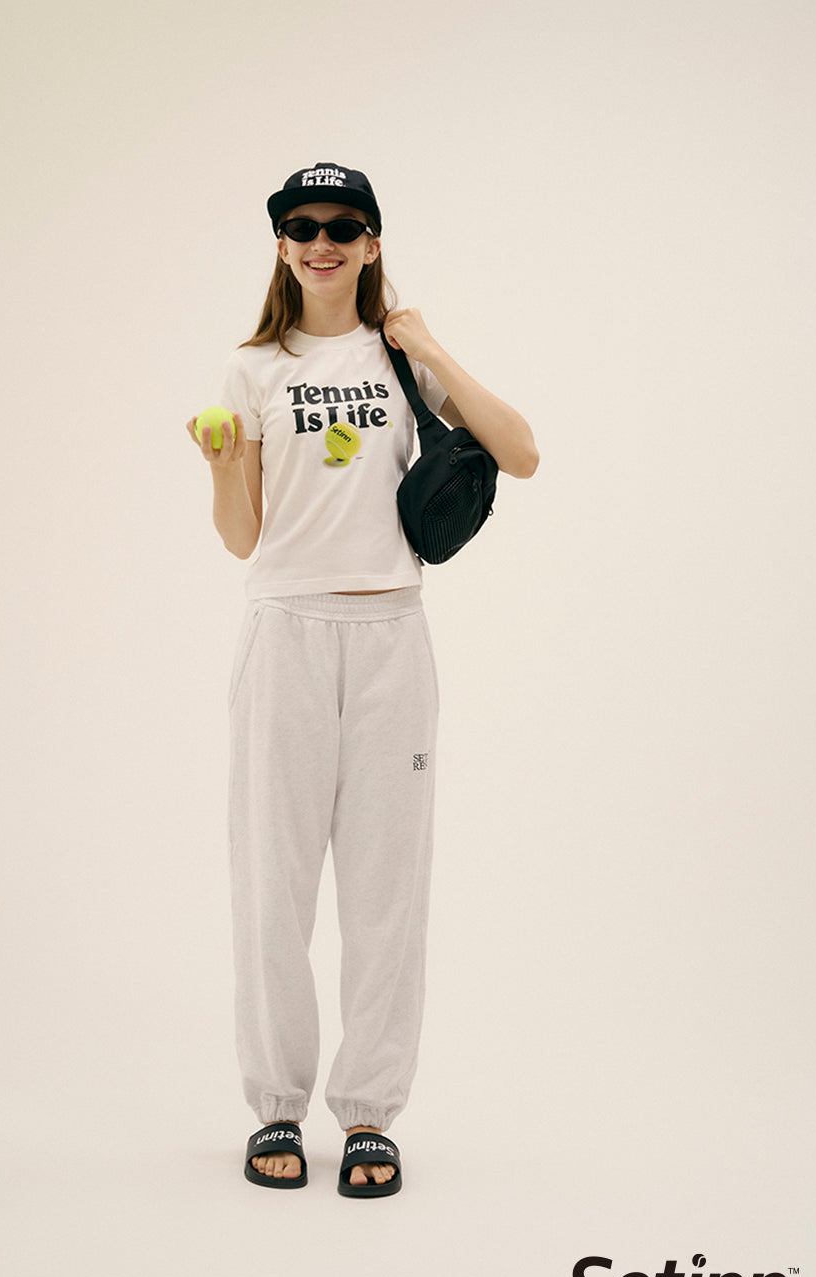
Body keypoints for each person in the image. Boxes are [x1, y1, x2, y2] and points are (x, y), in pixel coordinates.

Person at [187, 163, 538, 1197]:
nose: (321, 243)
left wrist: (426, 347)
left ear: (372, 242)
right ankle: (276, 1105)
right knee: (273, 884)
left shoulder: (400, 357)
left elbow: (521, 453)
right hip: (285, 632)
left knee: (388, 889)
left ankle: (371, 1111)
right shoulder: (253, 368)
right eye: (301, 226)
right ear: (282, 245)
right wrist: (221, 465)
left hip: (390, 637)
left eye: (343, 226)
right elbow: (243, 536)